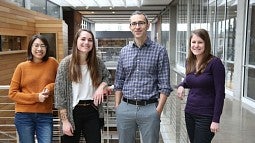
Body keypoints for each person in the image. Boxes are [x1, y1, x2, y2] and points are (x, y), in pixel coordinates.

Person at [114, 11, 173, 143]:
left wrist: (157, 111)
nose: (137, 26)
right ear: (130, 27)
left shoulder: (159, 51)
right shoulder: (124, 51)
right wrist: (118, 107)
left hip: (149, 109)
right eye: (134, 23)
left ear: (148, 25)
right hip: (126, 107)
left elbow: (165, 85)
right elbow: (119, 81)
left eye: (141, 23)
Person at [54, 29, 112, 143]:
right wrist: (65, 121)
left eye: (90, 40)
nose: (86, 42)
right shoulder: (66, 64)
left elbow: (107, 76)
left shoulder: (97, 62)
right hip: (73, 112)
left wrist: (101, 87)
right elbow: (59, 94)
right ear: (76, 41)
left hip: (92, 110)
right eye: (83, 39)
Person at [177, 28, 225, 143]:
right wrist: (181, 85)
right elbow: (190, 80)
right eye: (193, 42)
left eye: (200, 42)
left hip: (206, 116)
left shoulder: (215, 63)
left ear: (206, 44)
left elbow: (220, 93)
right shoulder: (190, 61)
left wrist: (216, 119)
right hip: (189, 113)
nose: (196, 45)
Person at [8, 34, 59, 143]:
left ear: (47, 48)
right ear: (30, 48)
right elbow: (12, 93)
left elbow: (61, 83)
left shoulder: (53, 63)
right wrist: (36, 97)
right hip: (24, 116)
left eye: (43, 46)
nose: (39, 49)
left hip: (45, 115)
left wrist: (49, 87)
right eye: (36, 45)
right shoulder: (21, 67)